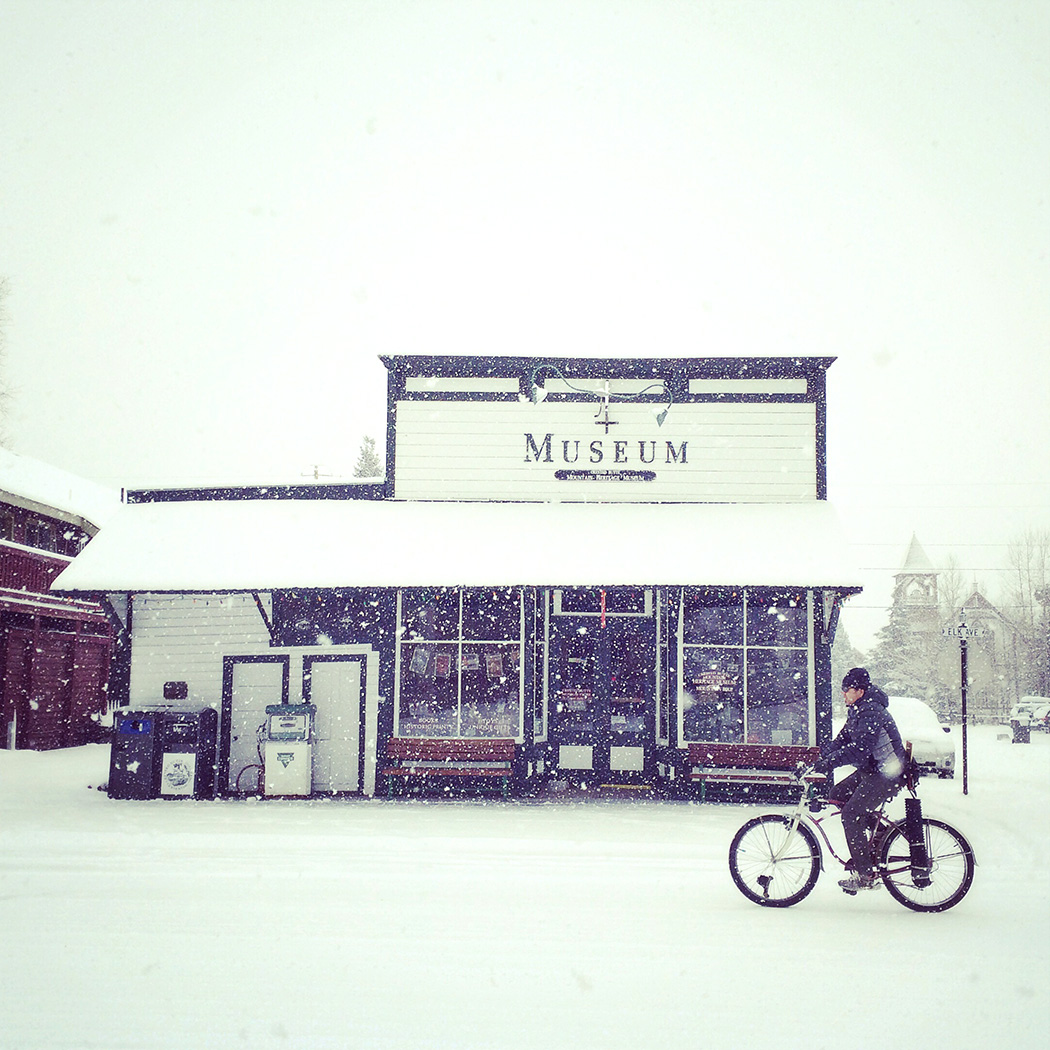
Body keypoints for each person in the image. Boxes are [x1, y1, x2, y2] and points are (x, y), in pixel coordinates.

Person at [814, 667, 906, 894]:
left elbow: (860, 749)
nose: (843, 693)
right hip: (874, 770)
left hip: (888, 773)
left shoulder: (871, 711)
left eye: (847, 689)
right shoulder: (858, 709)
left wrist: (829, 763)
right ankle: (881, 835)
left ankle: (865, 875)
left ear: (860, 691)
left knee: (851, 814)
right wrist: (821, 757)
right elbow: (843, 739)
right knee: (838, 794)